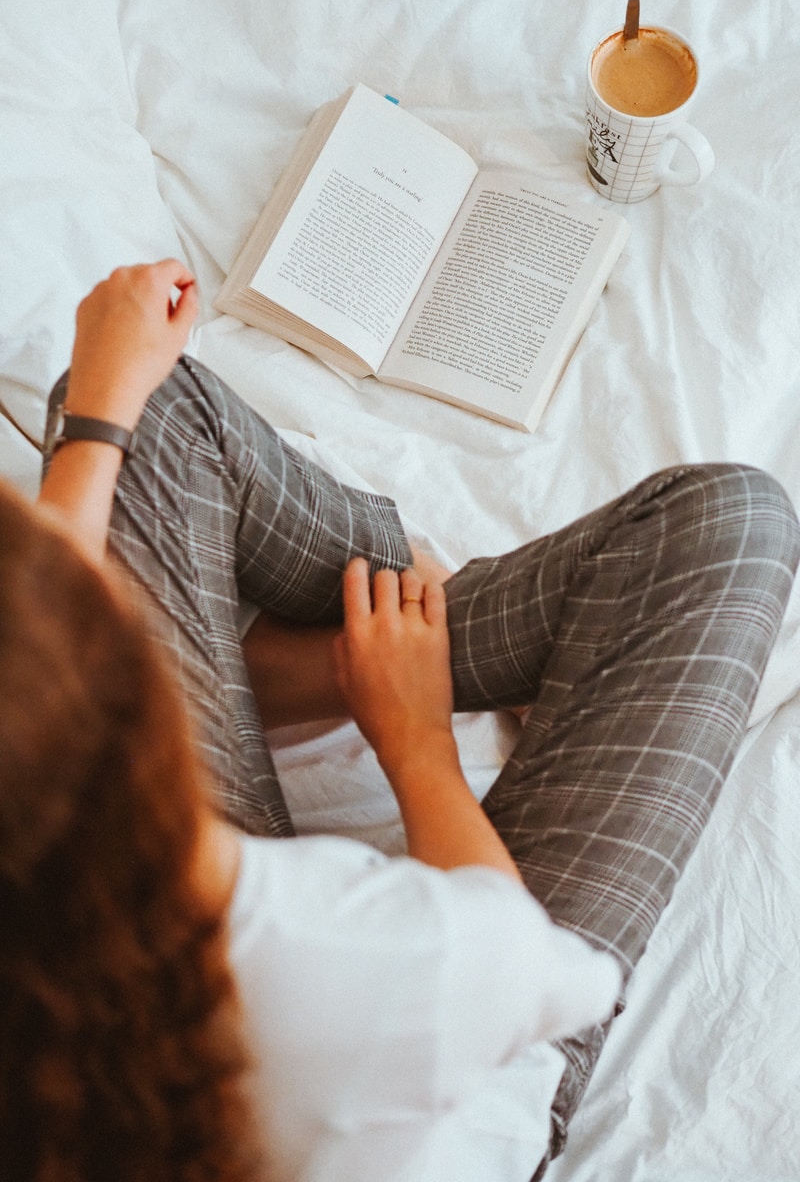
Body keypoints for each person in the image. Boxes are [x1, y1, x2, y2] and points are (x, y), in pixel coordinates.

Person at [3, 259, 798, 1180]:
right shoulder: (355, 952)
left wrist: (99, 416)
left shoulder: (49, 865)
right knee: (730, 522)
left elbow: (47, 606)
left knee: (133, 404)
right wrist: (413, 738)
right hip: (473, 1051)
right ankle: (373, 646)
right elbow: (528, 968)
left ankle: (309, 667)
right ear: (122, 707)